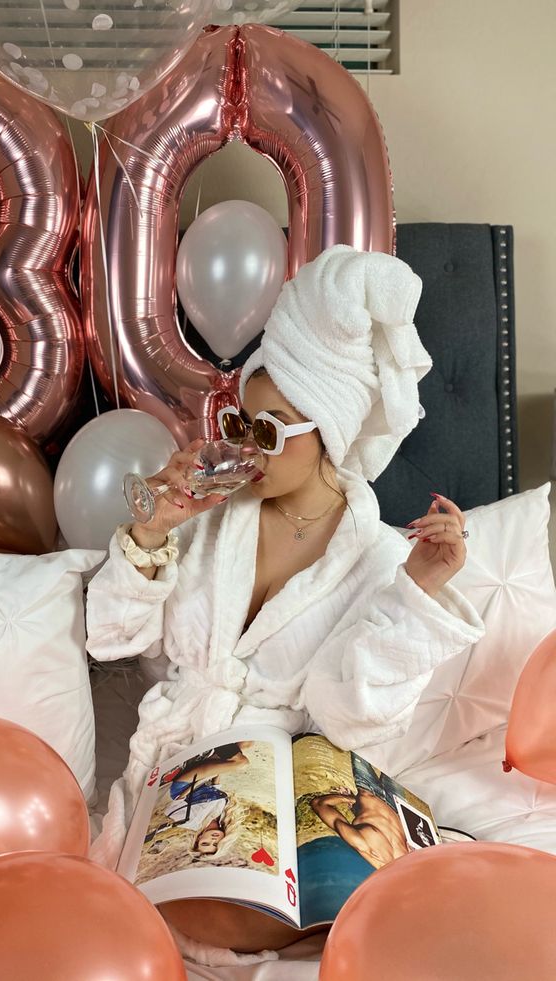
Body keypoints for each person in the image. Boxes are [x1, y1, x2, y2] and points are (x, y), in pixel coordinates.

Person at [86, 244, 485, 965]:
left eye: (266, 431)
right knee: (192, 905)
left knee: (351, 896)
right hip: (188, 765)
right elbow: (114, 637)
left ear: (327, 431)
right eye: (239, 422)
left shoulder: (378, 558)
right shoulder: (208, 514)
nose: (244, 446)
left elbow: (347, 717)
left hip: (297, 771)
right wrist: (152, 529)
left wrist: (417, 591)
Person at [309, 755, 412, 869]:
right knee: (402, 759)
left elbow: (319, 804)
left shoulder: (361, 843)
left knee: (364, 748)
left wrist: (349, 799)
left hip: (367, 787)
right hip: (396, 802)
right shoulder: (409, 864)